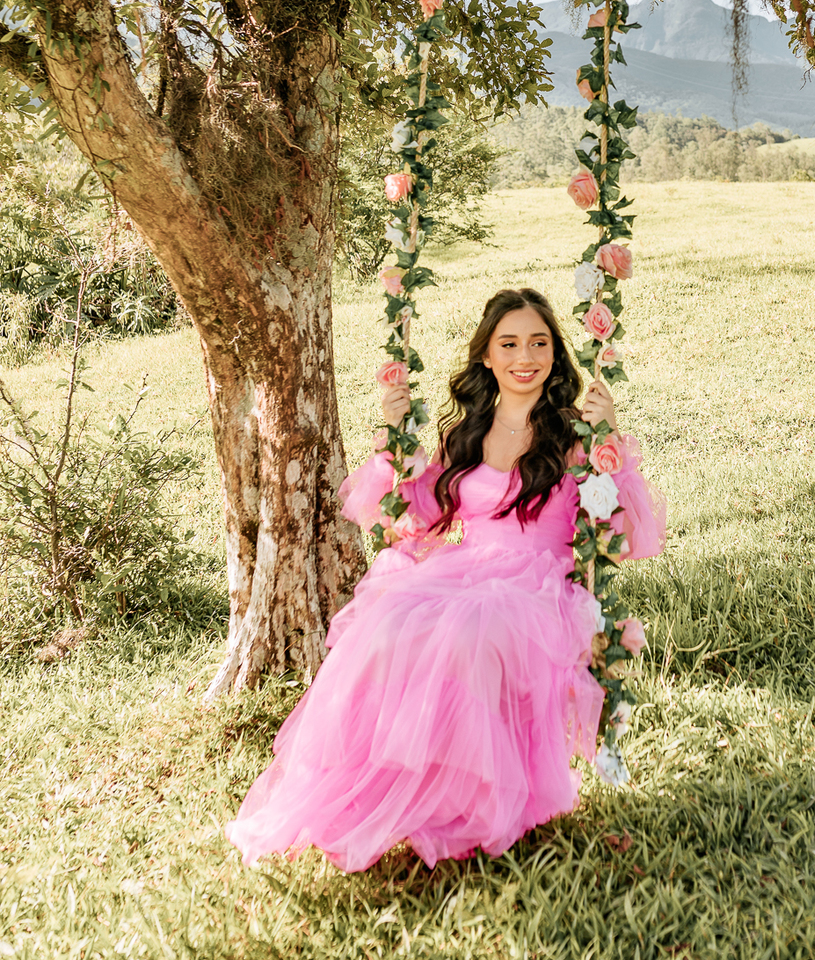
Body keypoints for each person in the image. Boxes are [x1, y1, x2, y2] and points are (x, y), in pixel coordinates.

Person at [226, 287, 665, 872]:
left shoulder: (574, 434)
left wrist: (609, 437)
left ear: (557, 355)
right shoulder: (466, 434)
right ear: (487, 356)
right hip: (466, 571)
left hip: (540, 584)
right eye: (508, 344)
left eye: (539, 343)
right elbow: (419, 513)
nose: (524, 357)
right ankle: (396, 794)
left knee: (469, 637)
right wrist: (393, 440)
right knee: (384, 631)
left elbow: (623, 531)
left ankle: (484, 805)